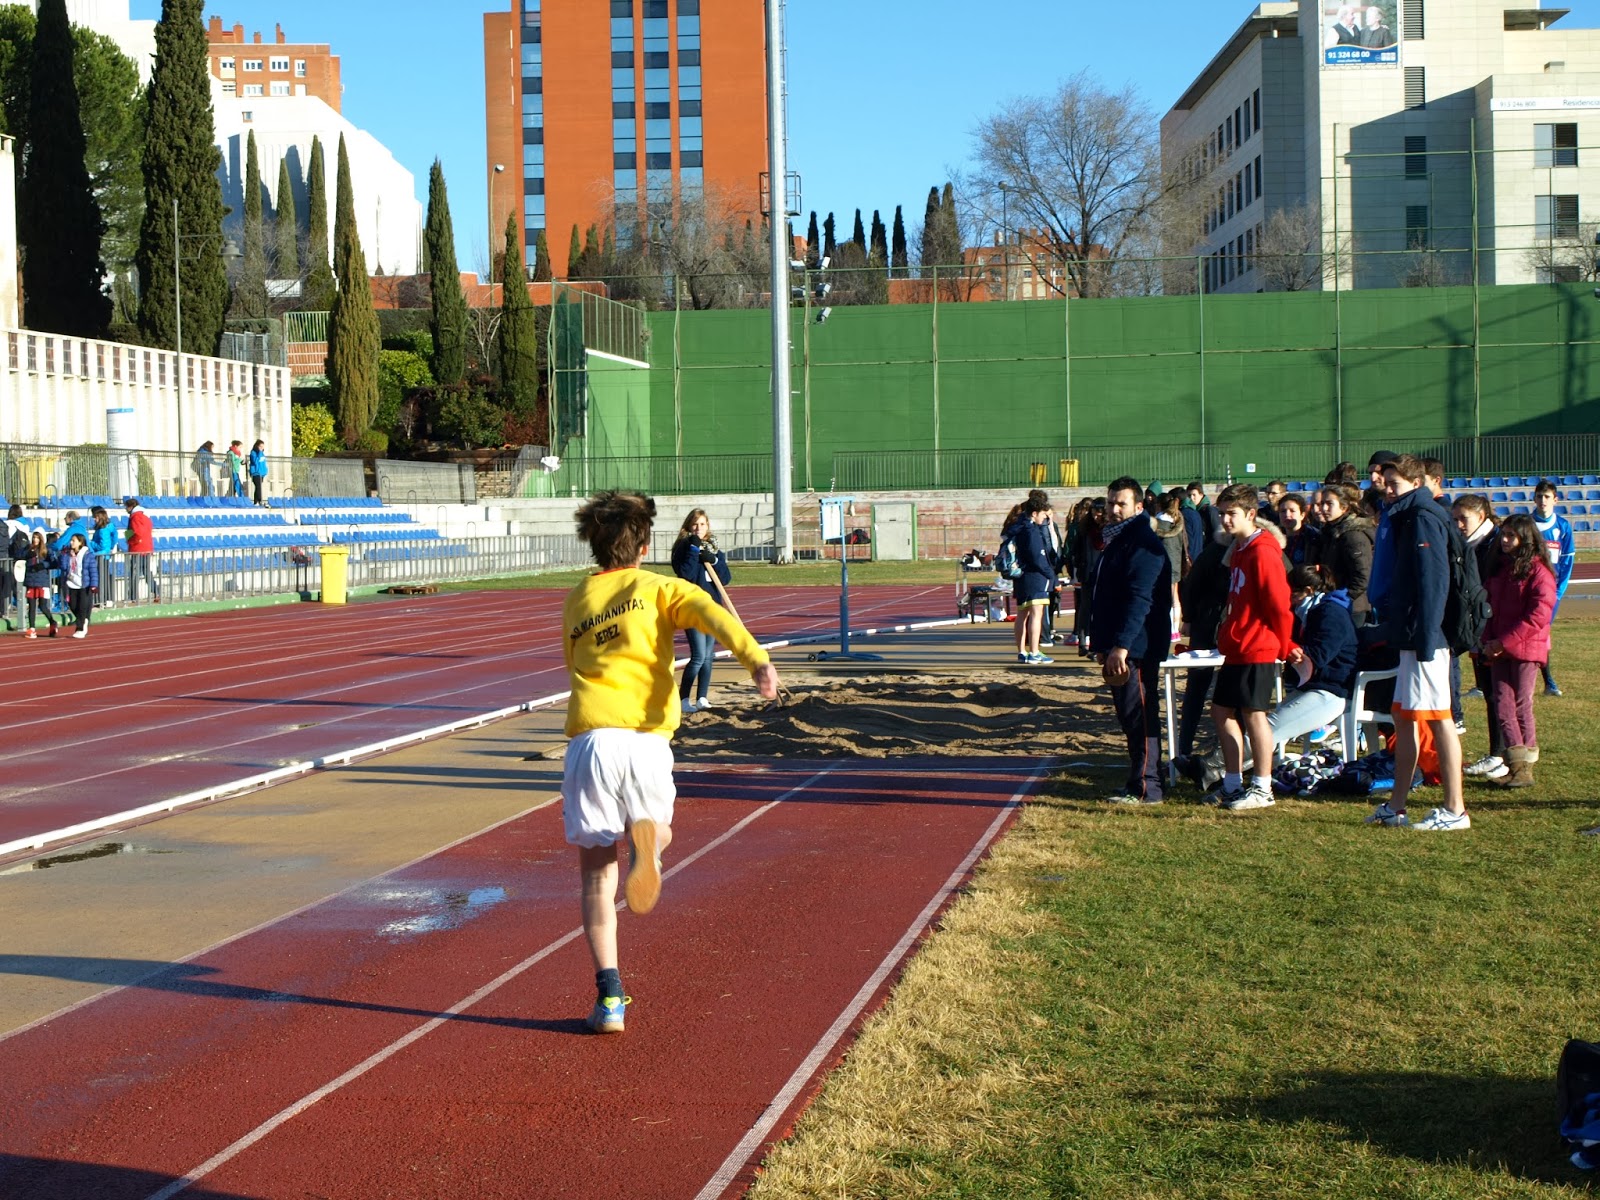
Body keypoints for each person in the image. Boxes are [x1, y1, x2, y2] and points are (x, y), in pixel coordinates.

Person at [561, 490, 778, 1035]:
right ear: (647, 544)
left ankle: (609, 999)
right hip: (645, 742)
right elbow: (714, 614)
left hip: (592, 742)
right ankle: (650, 843)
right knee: (660, 831)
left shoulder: (578, 598)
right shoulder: (660, 588)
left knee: (594, 878)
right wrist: (758, 662)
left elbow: (572, 662)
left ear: (594, 543)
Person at [1363, 454, 1468, 832]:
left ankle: (1455, 810)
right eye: (1386, 482)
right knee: (1404, 719)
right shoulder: (1406, 515)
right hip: (1412, 635)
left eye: (1395, 484)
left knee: (1440, 722)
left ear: (1417, 483)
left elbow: (1434, 583)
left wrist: (1426, 638)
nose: (1387, 490)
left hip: (1428, 638)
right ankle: (1397, 806)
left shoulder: (1423, 517)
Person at [1208, 483, 1297, 811]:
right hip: (1238, 645)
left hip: (1258, 644)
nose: (1225, 521)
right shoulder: (1240, 550)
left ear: (1250, 514)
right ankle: (1233, 783)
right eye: (1221, 514)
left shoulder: (1263, 549)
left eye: (1231, 514)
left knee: (1254, 715)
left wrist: (1285, 646)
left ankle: (1262, 787)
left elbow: (1278, 604)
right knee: (1221, 711)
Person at [1090, 476, 1173, 804]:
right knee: (1130, 715)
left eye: (1120, 503)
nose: (1112, 509)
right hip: (1122, 644)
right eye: (1110, 502)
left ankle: (1147, 786)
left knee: (1140, 714)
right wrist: (1102, 643)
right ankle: (1139, 779)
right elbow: (1105, 595)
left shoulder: (1142, 544)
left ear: (1139, 506)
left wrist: (1122, 645)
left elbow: (1140, 599)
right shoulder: (1119, 539)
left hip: (1136, 646)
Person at [1478, 514, 1556, 790]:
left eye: (1512, 535)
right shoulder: (1499, 569)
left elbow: (1538, 616)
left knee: (1521, 703)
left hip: (1526, 648)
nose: (1506, 540)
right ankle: (1514, 762)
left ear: (1527, 538)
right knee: (1502, 704)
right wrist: (1488, 641)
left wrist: (1503, 642)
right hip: (1501, 648)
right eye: (1504, 535)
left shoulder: (1539, 573)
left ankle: (1525, 766)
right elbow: (1489, 609)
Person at [1452, 495, 1507, 780]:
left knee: (1500, 695)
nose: (1459, 525)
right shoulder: (1470, 544)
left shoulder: (1493, 545)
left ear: (1482, 515)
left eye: (1465, 519)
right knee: (1489, 693)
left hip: (1495, 631)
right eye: (1456, 519)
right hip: (1479, 630)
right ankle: (1499, 753)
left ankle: (1502, 754)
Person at [670, 508, 732, 713]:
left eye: (702, 524)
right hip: (693, 607)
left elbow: (725, 578)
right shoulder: (683, 548)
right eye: (695, 524)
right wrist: (694, 551)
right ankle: (683, 699)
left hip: (712, 608)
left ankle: (702, 697)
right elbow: (685, 572)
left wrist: (713, 560)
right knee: (698, 655)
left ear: (708, 526)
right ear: (688, 526)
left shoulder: (713, 549)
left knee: (708, 656)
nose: (699, 528)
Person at [1531, 480, 1574, 696]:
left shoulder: (1563, 527)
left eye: (1547, 497)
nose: (1542, 501)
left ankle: (1548, 682)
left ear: (1555, 500)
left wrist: (1558, 592)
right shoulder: (1526, 524)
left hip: (1550, 593)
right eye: (1539, 496)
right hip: (1527, 590)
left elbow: (1567, 561)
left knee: (1540, 633)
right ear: (1534, 498)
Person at [1314, 483, 1374, 621]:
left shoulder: (1352, 535)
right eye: (1322, 503)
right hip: (1336, 603)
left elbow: (1363, 575)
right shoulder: (1330, 532)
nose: (1323, 508)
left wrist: (1344, 598)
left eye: (1329, 504)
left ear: (1344, 507)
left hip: (1353, 608)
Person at [20, 531, 60, 638]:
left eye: (37, 537)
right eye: (34, 537)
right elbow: (19, 555)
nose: (35, 540)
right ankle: (32, 629)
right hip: (30, 580)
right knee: (31, 606)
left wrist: (43, 565)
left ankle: (52, 622)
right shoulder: (28, 548)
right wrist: (27, 554)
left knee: (43, 606)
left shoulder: (46, 550)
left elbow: (54, 563)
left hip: (42, 581)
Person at [59, 532, 98, 639]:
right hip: (71, 583)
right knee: (73, 605)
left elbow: (93, 570)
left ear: (80, 542)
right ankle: (84, 619)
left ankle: (80, 628)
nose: (71, 543)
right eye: (71, 541)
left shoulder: (87, 555)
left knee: (82, 606)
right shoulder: (68, 554)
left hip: (84, 584)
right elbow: (63, 566)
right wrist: (63, 555)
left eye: (73, 541)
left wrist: (94, 584)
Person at [122, 496, 159, 604]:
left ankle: (132, 596)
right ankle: (156, 592)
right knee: (147, 572)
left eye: (126, 507)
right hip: (146, 548)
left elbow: (137, 533)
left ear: (130, 507)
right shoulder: (145, 516)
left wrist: (128, 539)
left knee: (134, 574)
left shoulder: (135, 517)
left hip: (137, 549)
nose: (125, 510)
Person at [1278, 493, 1320, 568]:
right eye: (1283, 511)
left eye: (1292, 511)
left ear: (1302, 515)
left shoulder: (1313, 537)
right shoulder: (1273, 537)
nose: (1287, 515)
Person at [88, 506, 117, 608]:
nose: (94, 520)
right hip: (104, 556)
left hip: (101, 556)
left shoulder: (102, 530)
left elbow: (102, 545)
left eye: (95, 518)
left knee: (100, 579)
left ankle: (102, 600)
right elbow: (114, 538)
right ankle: (105, 600)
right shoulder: (110, 527)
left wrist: (91, 544)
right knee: (103, 578)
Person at [248, 439, 270, 506]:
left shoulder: (262, 453)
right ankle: (259, 500)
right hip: (256, 473)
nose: (262, 448)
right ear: (257, 446)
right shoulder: (253, 453)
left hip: (261, 473)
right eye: (260, 446)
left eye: (263, 446)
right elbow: (255, 461)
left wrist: (265, 470)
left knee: (258, 487)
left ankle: (256, 501)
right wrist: (259, 453)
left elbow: (263, 463)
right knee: (258, 486)